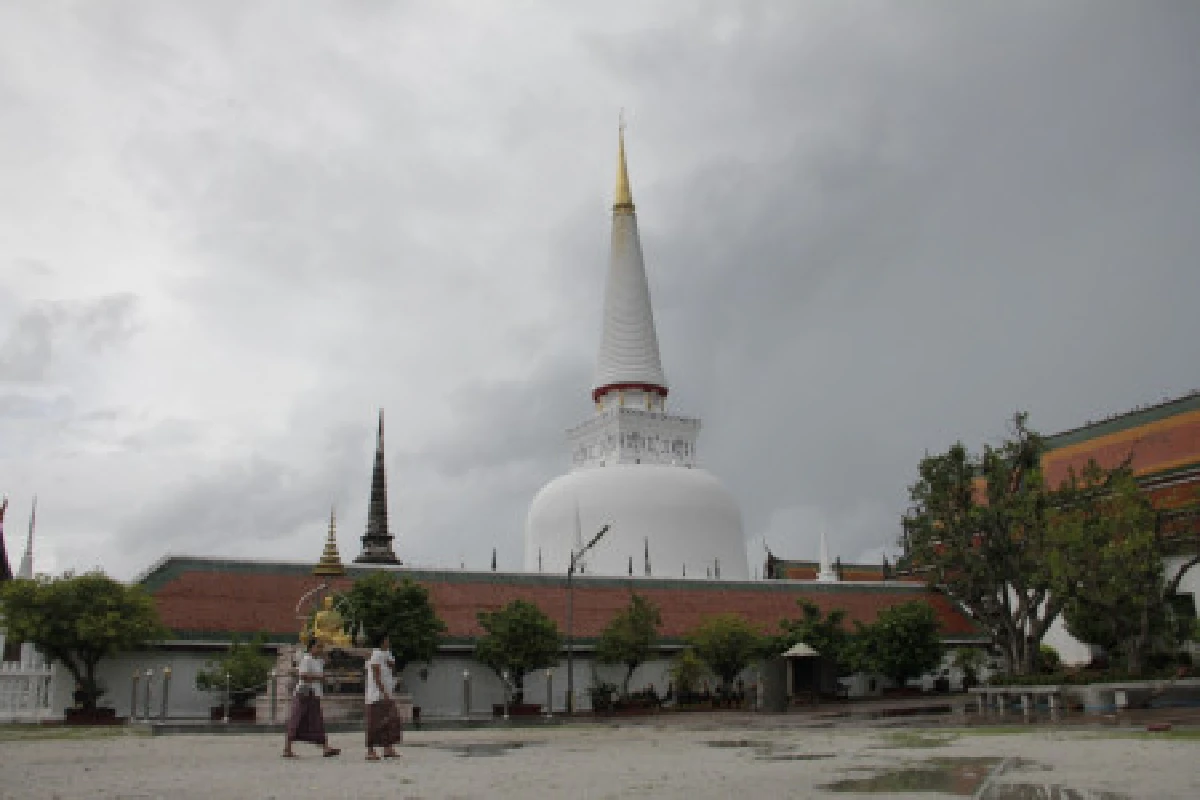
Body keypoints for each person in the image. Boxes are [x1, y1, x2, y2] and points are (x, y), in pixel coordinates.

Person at [282, 639, 340, 758]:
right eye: (317, 647)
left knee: (317, 720)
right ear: (311, 647)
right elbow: (302, 675)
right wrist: (319, 677)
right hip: (304, 693)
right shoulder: (306, 659)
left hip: (315, 694)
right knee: (297, 719)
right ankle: (287, 748)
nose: (319, 649)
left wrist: (323, 652)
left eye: (320, 647)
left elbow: (328, 661)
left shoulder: (318, 660)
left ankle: (325, 747)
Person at [364, 632, 403, 761]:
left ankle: (388, 747)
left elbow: (392, 666)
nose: (388, 642)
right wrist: (384, 692)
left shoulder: (386, 654)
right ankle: (370, 750)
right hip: (377, 695)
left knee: (391, 720)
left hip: (387, 693)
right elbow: (376, 677)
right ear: (382, 641)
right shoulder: (375, 655)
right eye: (386, 640)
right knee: (375, 723)